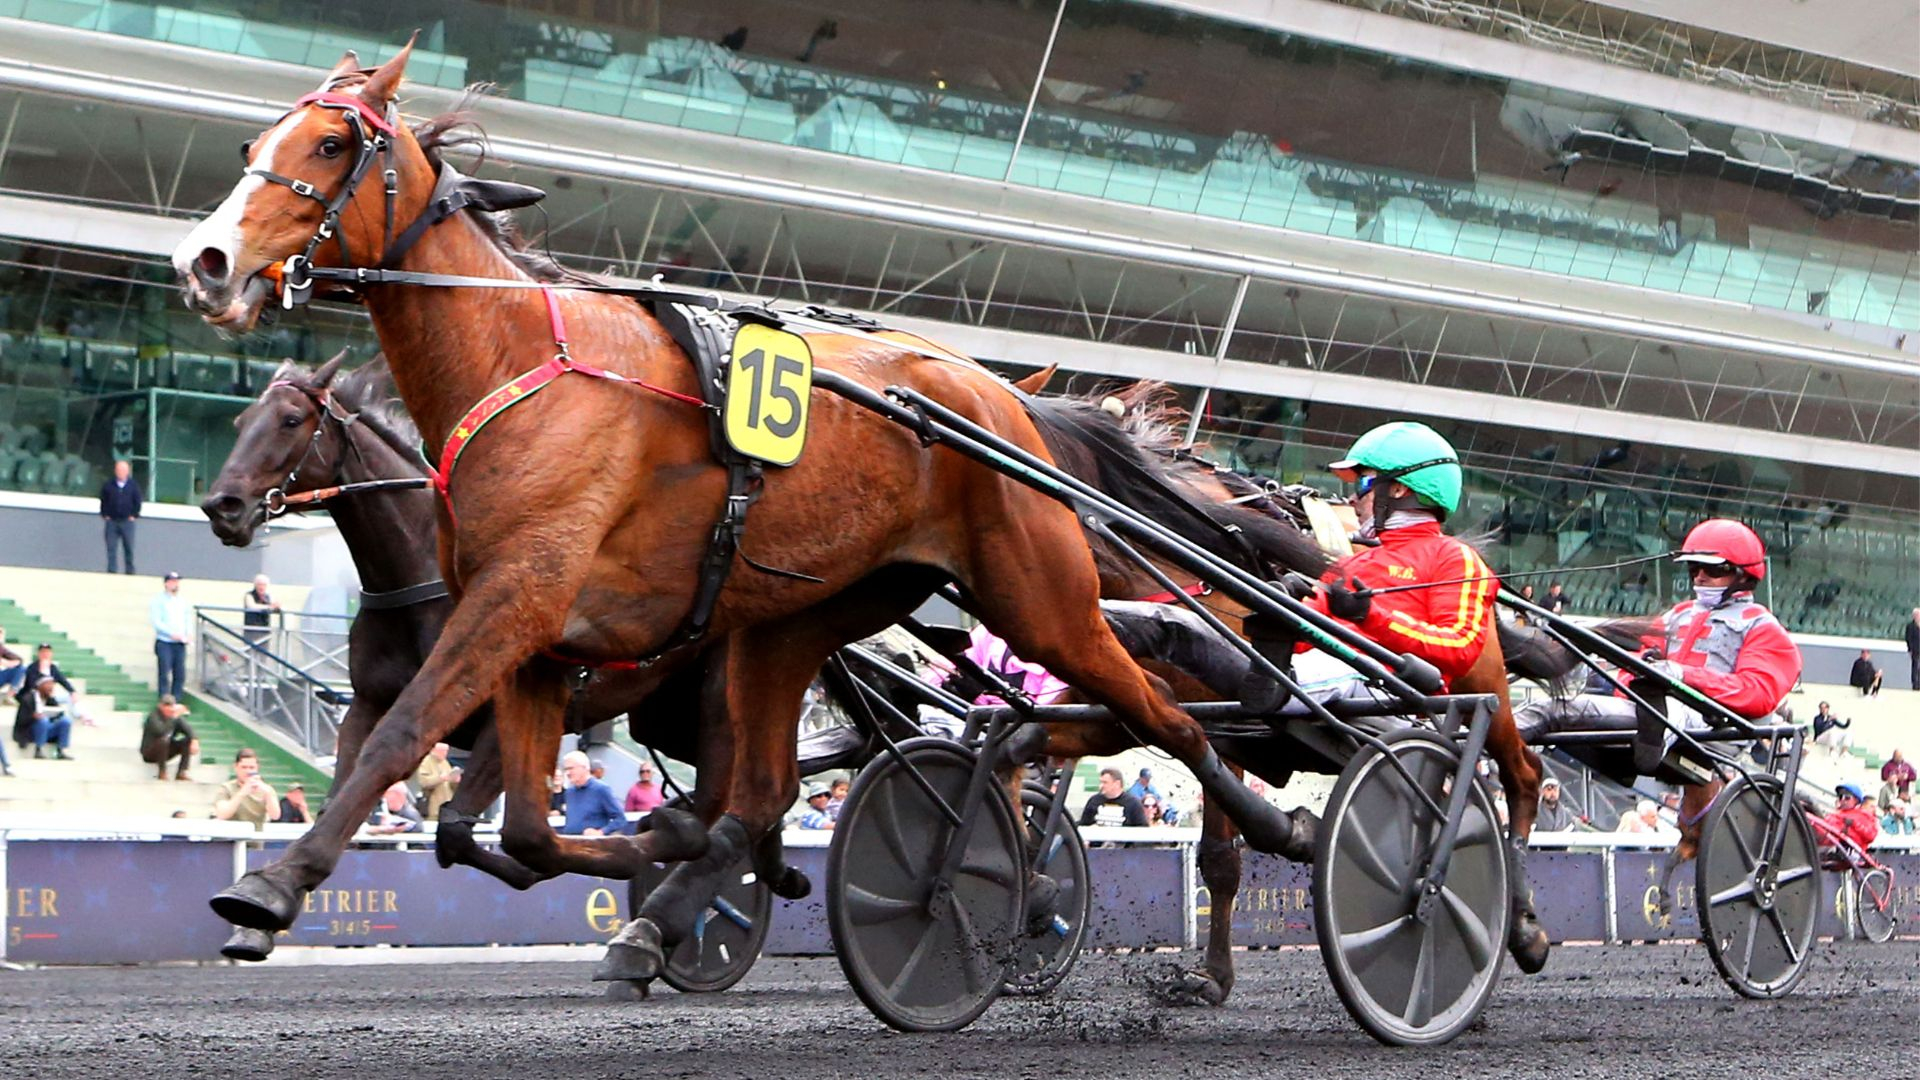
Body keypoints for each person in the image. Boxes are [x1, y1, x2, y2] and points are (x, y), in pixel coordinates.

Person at [1515, 520, 1803, 765]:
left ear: (1742, 574)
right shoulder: (1676, 616)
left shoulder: (1763, 627)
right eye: (1693, 569)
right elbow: (1631, 671)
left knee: (1670, 709)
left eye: (1712, 570)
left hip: (1714, 725)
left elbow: (1758, 693)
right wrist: (1641, 674)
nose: (1700, 577)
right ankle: (1480, 746)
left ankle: (1650, 745)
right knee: (1550, 707)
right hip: (1648, 711)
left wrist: (1682, 676)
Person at [559, 750, 623, 836]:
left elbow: (620, 819)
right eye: (566, 769)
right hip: (570, 843)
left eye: (571, 768)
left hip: (592, 846)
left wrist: (600, 832)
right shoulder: (569, 792)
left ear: (585, 767)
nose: (567, 773)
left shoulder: (601, 789)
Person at [212, 748, 280, 828]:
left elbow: (275, 816)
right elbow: (222, 814)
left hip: (256, 836)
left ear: (257, 768)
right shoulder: (226, 788)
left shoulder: (266, 789)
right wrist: (242, 793)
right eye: (244, 767)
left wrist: (268, 794)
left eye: (251, 768)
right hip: (231, 836)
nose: (248, 771)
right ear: (236, 767)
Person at [150, 572, 190, 701]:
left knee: (180, 673)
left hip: (179, 642)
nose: (175, 584)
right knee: (164, 671)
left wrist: (187, 634)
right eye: (172, 581)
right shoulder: (158, 600)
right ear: (166, 583)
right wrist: (170, 633)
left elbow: (186, 619)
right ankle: (164, 698)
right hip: (165, 641)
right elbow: (157, 622)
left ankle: (176, 699)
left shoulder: (182, 601)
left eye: (177, 581)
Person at [1812, 783, 1878, 857]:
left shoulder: (1862, 815)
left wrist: (1854, 824)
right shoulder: (1836, 814)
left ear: (1856, 800)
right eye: (1840, 797)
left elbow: (1871, 836)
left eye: (1847, 797)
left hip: (1846, 853)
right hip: (1821, 844)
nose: (1843, 800)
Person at [99, 458, 141, 574]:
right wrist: (105, 514)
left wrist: (134, 515)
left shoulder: (133, 485)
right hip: (112, 521)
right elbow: (103, 500)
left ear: (127, 471)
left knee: (129, 547)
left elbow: (137, 502)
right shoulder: (109, 485)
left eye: (123, 470)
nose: (120, 472)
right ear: (115, 471)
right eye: (119, 470)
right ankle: (112, 570)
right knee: (111, 547)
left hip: (127, 522)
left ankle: (129, 570)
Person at [140, 694, 194, 780]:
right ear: (161, 706)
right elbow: (161, 731)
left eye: (171, 706)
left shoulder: (175, 717)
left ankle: (181, 772)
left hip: (166, 751)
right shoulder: (153, 716)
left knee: (187, 741)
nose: (169, 708)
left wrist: (194, 741)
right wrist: (172, 718)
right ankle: (162, 772)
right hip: (150, 752)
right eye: (166, 705)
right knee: (163, 741)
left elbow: (188, 730)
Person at [1079, 766, 1149, 827]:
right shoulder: (1094, 800)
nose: (1101, 786)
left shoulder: (1133, 803)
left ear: (1117, 784)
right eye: (1101, 782)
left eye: (1105, 783)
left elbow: (1142, 829)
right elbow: (1083, 824)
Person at [26, 677, 75, 760]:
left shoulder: (50, 698)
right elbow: (21, 719)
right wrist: (33, 716)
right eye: (48, 685)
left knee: (65, 721)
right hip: (32, 729)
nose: (50, 688)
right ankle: (38, 749)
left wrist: (55, 713)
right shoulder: (29, 698)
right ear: (41, 686)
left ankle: (60, 750)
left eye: (51, 685)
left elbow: (59, 712)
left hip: (47, 728)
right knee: (43, 721)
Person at [414, 742, 460, 821]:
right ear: (434, 750)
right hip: (433, 807)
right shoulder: (426, 762)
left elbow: (450, 785)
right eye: (443, 751)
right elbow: (424, 782)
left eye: (446, 751)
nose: (445, 753)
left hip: (447, 807)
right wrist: (440, 778)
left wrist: (455, 781)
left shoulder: (445, 762)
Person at [242, 574, 280, 646]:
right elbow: (252, 606)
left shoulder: (268, 596)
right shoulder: (249, 595)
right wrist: (269, 607)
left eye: (264, 585)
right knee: (249, 653)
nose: (262, 587)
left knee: (264, 653)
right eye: (259, 584)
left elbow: (273, 606)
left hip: (264, 631)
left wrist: (277, 607)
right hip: (251, 630)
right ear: (255, 585)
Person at [0, 628, 24, 704]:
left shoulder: (1, 648)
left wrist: (8, 663)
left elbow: (19, 659)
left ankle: (9, 696)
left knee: (21, 669)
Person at [1906, 608, 1919, 691]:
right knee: (1915, 667)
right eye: (1917, 615)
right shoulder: (1910, 626)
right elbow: (1908, 638)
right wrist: (1910, 649)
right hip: (1915, 650)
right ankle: (1915, 684)